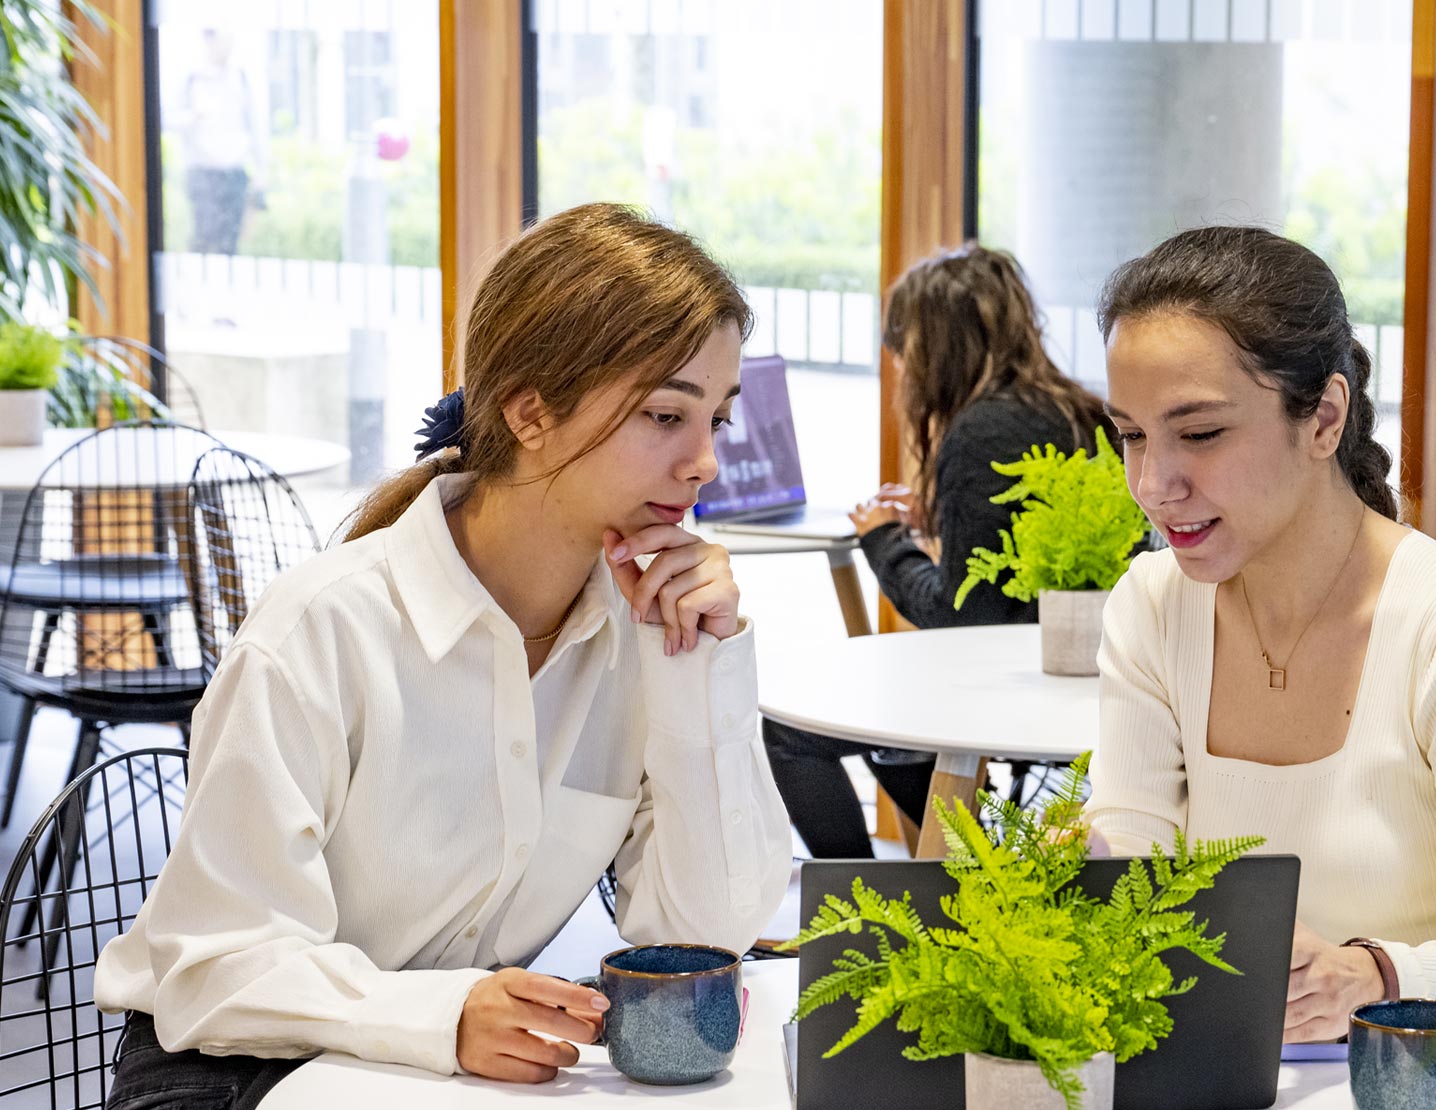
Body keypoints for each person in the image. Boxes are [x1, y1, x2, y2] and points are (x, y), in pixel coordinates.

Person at [94, 203, 793, 1108]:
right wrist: (441, 1018)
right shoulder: (322, 630)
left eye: (720, 419)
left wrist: (702, 670)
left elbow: (703, 933)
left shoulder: (640, 642)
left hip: (446, 1073)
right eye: (666, 414)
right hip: (239, 1066)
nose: (704, 462)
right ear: (530, 411)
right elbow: (216, 970)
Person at [1082, 226, 1436, 1101]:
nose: (1152, 482)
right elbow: (1132, 860)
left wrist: (1372, 974)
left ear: (1324, 416)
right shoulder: (1152, 606)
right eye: (1130, 435)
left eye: (1199, 433)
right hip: (1227, 1073)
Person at [766, 243, 1108, 859]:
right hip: (1080, 686)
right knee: (888, 722)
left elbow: (962, 613)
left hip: (1011, 686)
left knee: (789, 732)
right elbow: (1018, 557)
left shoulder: (980, 430)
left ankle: (863, 909)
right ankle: (958, 874)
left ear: (927, 348)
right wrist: (947, 516)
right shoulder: (1080, 412)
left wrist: (884, 540)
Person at [176, 29, 267, 256]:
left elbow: (255, 127)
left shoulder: (241, 77)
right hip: (202, 173)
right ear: (208, 40)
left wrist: (261, 173)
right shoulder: (191, 77)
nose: (227, 44)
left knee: (230, 246)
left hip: (234, 173)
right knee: (204, 241)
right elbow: (165, 118)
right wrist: (193, 116)